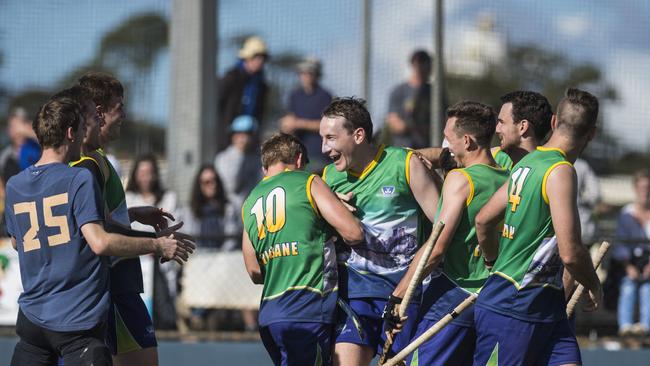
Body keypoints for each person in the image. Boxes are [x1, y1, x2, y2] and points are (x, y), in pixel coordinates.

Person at [5, 97, 188, 366]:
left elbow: (16, 242)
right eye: (82, 130)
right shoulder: (78, 178)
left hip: (32, 322)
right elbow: (99, 242)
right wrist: (157, 245)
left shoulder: (15, 184)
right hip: (75, 322)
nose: (84, 137)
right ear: (70, 133)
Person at [474, 88, 603, 365]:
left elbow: (483, 220)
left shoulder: (526, 162)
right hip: (514, 306)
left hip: (547, 309)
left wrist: (492, 262)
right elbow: (570, 252)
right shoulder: (561, 171)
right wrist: (594, 284)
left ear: (555, 122)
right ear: (592, 133)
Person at [319, 97, 440, 365]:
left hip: (403, 294)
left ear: (358, 135)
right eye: (322, 138)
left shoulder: (404, 164)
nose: (324, 147)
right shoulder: (328, 177)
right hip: (355, 295)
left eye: (330, 138)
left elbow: (442, 230)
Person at [387, 101, 508, 365]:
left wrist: (398, 294)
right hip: (494, 299)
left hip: (455, 294)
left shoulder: (461, 179)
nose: (445, 144)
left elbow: (436, 248)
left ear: (467, 140)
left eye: (448, 138)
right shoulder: (509, 175)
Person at [77, 72, 176, 366]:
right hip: (112, 285)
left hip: (112, 285)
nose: (124, 114)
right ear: (98, 112)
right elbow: (95, 230)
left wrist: (131, 214)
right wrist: (156, 243)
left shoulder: (98, 159)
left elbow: (92, 217)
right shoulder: (88, 163)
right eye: (119, 106)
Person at [242, 133, 364, 366]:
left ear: (265, 165)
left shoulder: (249, 202)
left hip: (270, 315)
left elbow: (254, 271)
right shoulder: (307, 181)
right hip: (306, 308)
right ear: (299, 160)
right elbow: (353, 233)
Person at [417, 90, 553, 172]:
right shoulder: (497, 156)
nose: (496, 129)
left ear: (522, 127)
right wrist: (407, 161)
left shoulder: (547, 172)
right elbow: (449, 153)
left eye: (502, 122)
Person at [280, 57, 333, 173]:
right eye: (303, 72)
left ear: (316, 75)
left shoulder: (325, 96)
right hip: (298, 154)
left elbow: (327, 125)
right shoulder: (294, 96)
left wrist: (299, 124)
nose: (306, 76)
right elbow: (290, 120)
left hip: (319, 154)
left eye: (310, 72)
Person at [614, 168, 650, 336]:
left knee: (647, 288)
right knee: (628, 284)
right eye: (642, 188)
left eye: (648, 188)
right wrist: (628, 266)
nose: (646, 192)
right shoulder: (626, 214)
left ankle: (645, 329)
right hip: (628, 264)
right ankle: (626, 328)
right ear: (635, 189)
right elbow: (620, 245)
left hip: (648, 264)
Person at [217, 36, 269, 150]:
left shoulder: (261, 85)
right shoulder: (230, 78)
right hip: (227, 140)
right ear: (247, 57)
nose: (260, 61)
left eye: (263, 58)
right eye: (257, 57)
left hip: (250, 140)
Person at [383, 50, 433, 149]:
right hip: (404, 150)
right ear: (413, 65)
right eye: (419, 64)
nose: (422, 68)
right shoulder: (399, 91)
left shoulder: (434, 92)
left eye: (425, 64)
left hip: (428, 148)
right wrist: (411, 127)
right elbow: (393, 122)